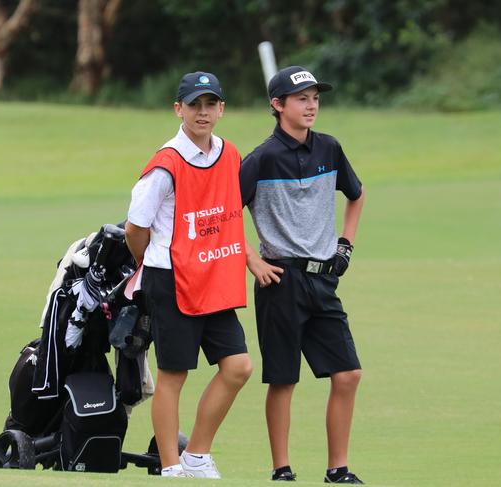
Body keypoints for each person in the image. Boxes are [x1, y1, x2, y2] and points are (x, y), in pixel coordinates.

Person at [241, 66, 366, 484]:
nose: (311, 105)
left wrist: (345, 245)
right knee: (283, 379)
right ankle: (282, 469)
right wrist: (252, 261)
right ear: (277, 105)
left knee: (348, 373)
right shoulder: (260, 158)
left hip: (323, 279)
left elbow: (356, 194)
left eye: (315, 97)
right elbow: (222, 215)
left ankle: (338, 468)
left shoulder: (329, 149)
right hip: (280, 280)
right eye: (301, 98)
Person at [125, 71, 253, 478]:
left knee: (238, 366)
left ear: (221, 110)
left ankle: (197, 453)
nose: (203, 112)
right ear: (178, 109)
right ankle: (171, 465)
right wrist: (153, 261)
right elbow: (135, 228)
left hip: (214, 276)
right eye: (194, 105)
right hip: (172, 278)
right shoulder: (166, 164)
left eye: (210, 104)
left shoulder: (229, 153)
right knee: (174, 373)